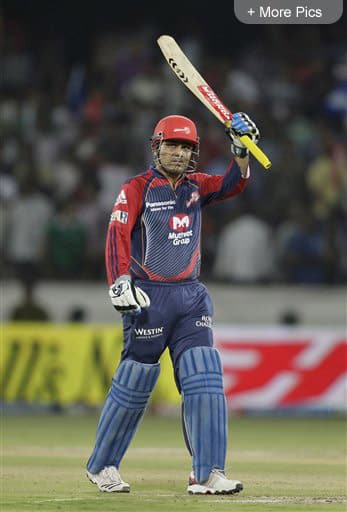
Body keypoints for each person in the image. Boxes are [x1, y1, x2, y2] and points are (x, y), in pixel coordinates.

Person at [86, 112, 260, 495]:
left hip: (191, 297)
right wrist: (119, 281)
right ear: (157, 146)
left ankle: (208, 472)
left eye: (187, 147)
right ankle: (103, 465)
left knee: (204, 376)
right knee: (136, 382)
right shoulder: (136, 188)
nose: (179, 153)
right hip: (149, 296)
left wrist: (241, 150)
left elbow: (232, 184)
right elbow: (116, 233)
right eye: (173, 145)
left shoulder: (197, 186)